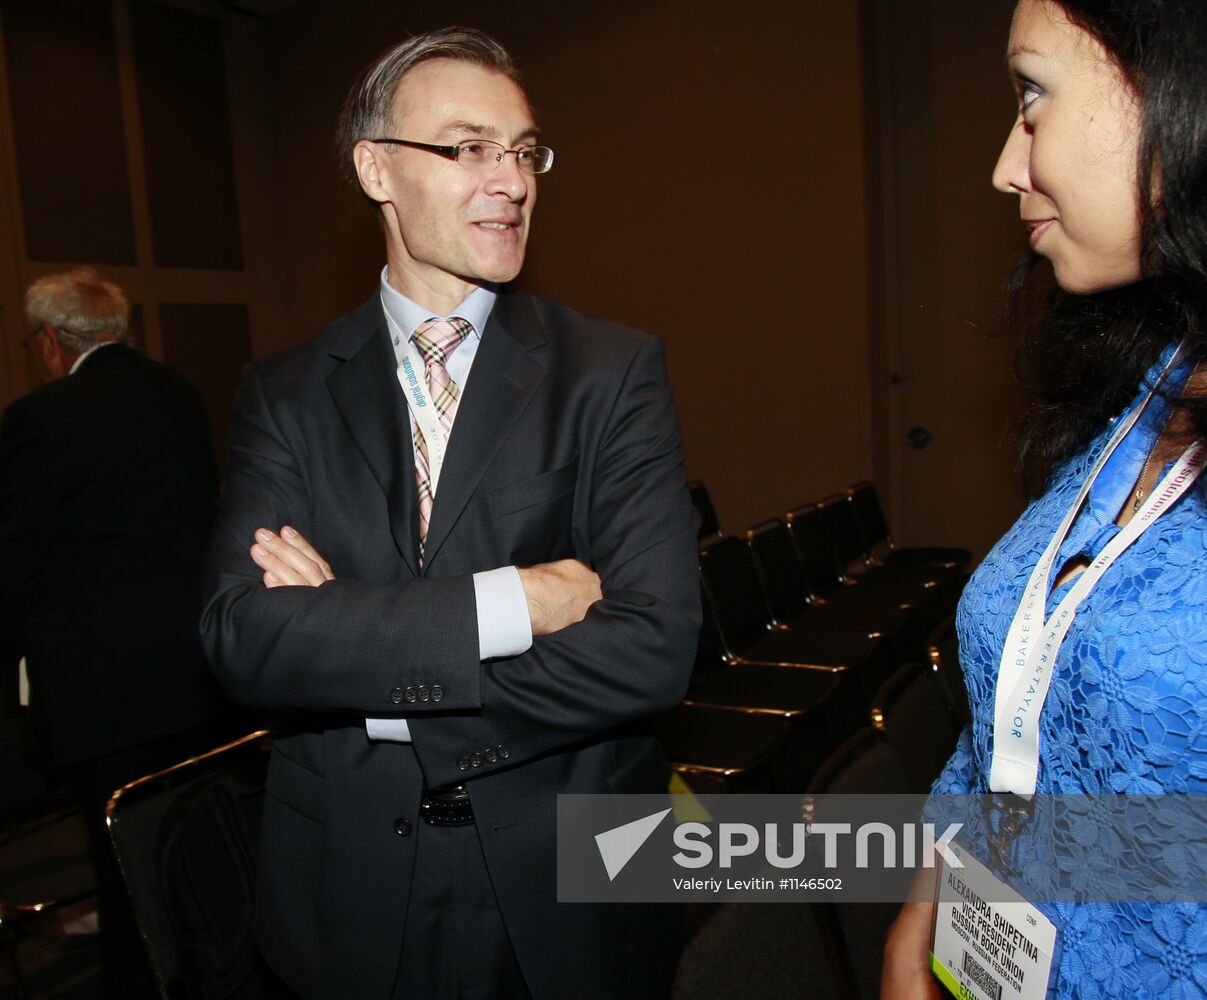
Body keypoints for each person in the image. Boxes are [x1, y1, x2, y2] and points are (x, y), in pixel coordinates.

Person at [199, 27, 699, 1000]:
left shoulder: (610, 372)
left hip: (573, 883)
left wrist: (362, 657)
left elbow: (653, 645)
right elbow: (242, 635)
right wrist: (515, 601)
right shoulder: (287, 392)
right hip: (347, 892)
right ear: (375, 168)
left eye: (523, 150)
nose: (510, 180)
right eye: (468, 147)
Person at [883, 0, 1207, 996]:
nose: (1003, 165)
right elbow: (1018, 711)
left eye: (1032, 94)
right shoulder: (1153, 382)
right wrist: (920, 918)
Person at [0, 267, 223, 998]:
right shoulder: (178, 394)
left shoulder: (44, 417)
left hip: (103, 683)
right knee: (186, 846)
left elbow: (14, 554)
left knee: (120, 859)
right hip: (195, 669)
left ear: (52, 342)